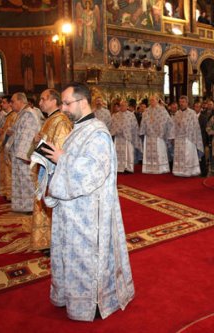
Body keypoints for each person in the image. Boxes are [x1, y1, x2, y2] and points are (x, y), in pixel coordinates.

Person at [41, 82, 134, 321]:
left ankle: (91, 303)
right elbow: (70, 163)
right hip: (72, 211)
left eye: (66, 103)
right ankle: (69, 296)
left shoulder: (98, 133)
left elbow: (92, 172)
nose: (63, 108)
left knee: (85, 258)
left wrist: (63, 158)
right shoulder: (78, 129)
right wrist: (51, 159)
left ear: (82, 102)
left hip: (88, 214)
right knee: (68, 254)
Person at [30, 89, 72, 252]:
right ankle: (47, 240)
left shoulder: (60, 121)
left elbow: (59, 151)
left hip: (52, 173)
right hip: (44, 170)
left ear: (54, 101)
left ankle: (55, 242)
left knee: (52, 208)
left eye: (43, 99)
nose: (40, 102)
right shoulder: (50, 120)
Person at [8, 92, 43, 213]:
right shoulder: (22, 114)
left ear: (21, 101)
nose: (10, 104)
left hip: (24, 155)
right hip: (19, 153)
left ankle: (30, 207)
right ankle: (22, 205)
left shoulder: (28, 114)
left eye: (12, 101)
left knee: (26, 180)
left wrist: (24, 155)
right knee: (20, 180)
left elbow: (28, 135)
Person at [139, 95, 174, 174]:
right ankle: (149, 168)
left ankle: (161, 168)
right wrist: (143, 131)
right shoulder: (147, 111)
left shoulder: (162, 110)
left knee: (159, 151)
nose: (151, 102)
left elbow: (168, 121)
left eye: (153, 100)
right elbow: (143, 121)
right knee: (149, 151)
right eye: (150, 100)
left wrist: (160, 130)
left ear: (157, 100)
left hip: (159, 136)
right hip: (148, 135)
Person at [172, 95, 203, 177]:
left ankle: (189, 171)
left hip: (188, 138)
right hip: (178, 139)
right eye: (180, 102)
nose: (181, 104)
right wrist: (173, 137)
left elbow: (196, 127)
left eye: (183, 102)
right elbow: (174, 126)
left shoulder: (192, 113)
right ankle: (179, 171)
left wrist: (189, 133)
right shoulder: (177, 113)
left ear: (187, 103)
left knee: (187, 155)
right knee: (179, 155)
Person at [110, 99, 142, 173]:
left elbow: (134, 126)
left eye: (124, 105)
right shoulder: (115, 115)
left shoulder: (131, 115)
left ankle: (128, 168)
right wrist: (117, 130)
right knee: (118, 152)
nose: (122, 107)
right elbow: (112, 125)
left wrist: (131, 134)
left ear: (127, 106)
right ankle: (118, 167)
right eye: (121, 105)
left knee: (128, 152)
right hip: (118, 138)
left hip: (127, 137)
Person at [0, 96, 18, 200]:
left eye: (4, 102)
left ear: (10, 103)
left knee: (10, 171)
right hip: (5, 146)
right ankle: (7, 191)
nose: (2, 104)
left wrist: (5, 133)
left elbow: (13, 131)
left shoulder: (14, 116)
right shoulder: (7, 116)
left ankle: (11, 193)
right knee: (5, 170)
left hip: (10, 148)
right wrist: (1, 131)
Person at [198, 99, 214, 176]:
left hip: (211, 136)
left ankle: (208, 169)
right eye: (208, 104)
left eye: (211, 104)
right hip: (204, 135)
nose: (209, 106)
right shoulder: (203, 113)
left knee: (209, 154)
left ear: (213, 105)